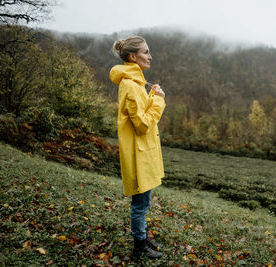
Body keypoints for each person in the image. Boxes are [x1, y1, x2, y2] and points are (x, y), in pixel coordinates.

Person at [110, 35, 166, 259]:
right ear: (133, 56)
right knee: (140, 203)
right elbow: (142, 125)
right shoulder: (131, 85)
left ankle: (142, 237)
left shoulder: (136, 82)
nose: (150, 56)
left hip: (142, 151)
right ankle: (139, 246)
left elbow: (141, 113)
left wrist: (152, 96)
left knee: (144, 201)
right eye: (145, 52)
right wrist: (160, 101)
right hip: (137, 153)